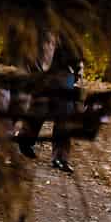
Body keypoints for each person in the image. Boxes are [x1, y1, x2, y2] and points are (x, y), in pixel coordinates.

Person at [16, 32, 83, 173]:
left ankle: (61, 157)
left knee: (66, 112)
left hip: (66, 71)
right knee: (40, 107)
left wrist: (79, 74)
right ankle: (25, 140)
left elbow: (77, 48)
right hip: (43, 69)